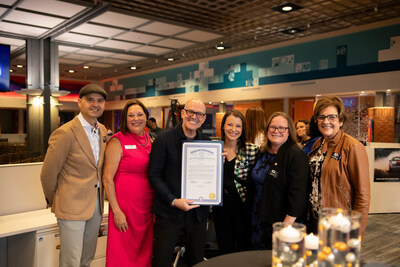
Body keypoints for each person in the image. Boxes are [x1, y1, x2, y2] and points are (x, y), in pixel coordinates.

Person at [40, 84, 107, 267]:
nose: (96, 104)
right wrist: (58, 199)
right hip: (70, 206)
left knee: (87, 258)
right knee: (71, 260)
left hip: (95, 205)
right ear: (79, 102)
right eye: (90, 100)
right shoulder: (65, 132)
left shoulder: (102, 130)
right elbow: (48, 173)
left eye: (100, 101)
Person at [148, 99, 210, 267]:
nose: (194, 117)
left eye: (199, 114)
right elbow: (154, 175)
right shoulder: (163, 139)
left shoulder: (208, 143)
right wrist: (173, 200)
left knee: (196, 261)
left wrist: (219, 162)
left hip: (197, 214)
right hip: (169, 212)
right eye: (190, 112)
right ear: (182, 113)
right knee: (161, 261)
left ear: (204, 118)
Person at [308, 96, 370, 236]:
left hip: (340, 223)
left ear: (341, 121)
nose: (326, 121)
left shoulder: (353, 147)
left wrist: (356, 232)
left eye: (332, 117)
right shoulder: (318, 144)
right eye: (321, 117)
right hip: (316, 219)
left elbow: (363, 196)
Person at [102, 100, 154, 266]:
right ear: (125, 118)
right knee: (122, 254)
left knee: (143, 253)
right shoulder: (117, 141)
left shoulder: (150, 140)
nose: (135, 119)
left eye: (140, 114)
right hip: (124, 209)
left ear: (146, 117)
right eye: (131, 115)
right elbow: (107, 178)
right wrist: (116, 211)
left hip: (146, 210)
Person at [250, 112, 309, 249]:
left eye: (282, 128)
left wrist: (284, 228)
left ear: (289, 132)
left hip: (280, 223)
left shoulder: (296, 155)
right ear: (267, 129)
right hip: (258, 218)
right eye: (273, 127)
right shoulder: (262, 152)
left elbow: (298, 197)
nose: (276, 131)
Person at [212, 110, 259, 254]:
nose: (233, 129)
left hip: (242, 206)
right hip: (220, 207)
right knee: (225, 247)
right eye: (230, 125)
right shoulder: (214, 148)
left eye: (238, 126)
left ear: (243, 128)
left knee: (244, 247)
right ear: (223, 126)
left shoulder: (252, 150)